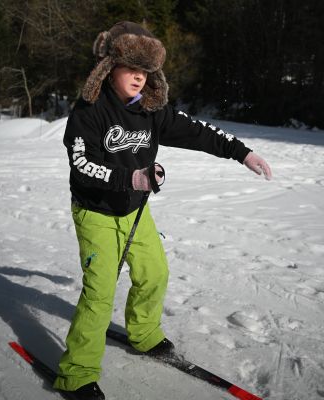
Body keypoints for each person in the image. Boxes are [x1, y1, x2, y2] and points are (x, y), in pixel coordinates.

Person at [55, 21, 271, 400]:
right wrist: (132, 178)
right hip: (95, 212)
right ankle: (77, 374)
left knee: (154, 273)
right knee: (100, 292)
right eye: (131, 68)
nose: (139, 77)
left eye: (145, 70)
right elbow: (82, 165)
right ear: (110, 68)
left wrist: (242, 153)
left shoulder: (152, 111)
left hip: (134, 212)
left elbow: (198, 131)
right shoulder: (88, 111)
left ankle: (145, 334)